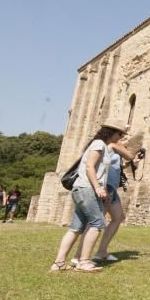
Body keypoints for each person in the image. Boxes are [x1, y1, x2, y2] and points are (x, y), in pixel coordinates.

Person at [50, 117, 128, 273]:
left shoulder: (102, 146)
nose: (120, 138)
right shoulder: (99, 144)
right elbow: (90, 167)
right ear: (112, 132)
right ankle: (84, 261)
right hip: (87, 189)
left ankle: (58, 263)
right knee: (97, 224)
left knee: (76, 228)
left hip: (84, 189)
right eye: (120, 134)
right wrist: (98, 187)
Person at [88, 132, 143, 264]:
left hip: (111, 187)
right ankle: (81, 257)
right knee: (96, 221)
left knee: (118, 217)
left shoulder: (109, 149)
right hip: (107, 186)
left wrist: (130, 164)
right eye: (122, 136)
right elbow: (129, 155)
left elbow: (117, 166)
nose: (123, 139)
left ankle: (101, 252)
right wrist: (136, 153)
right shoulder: (113, 145)